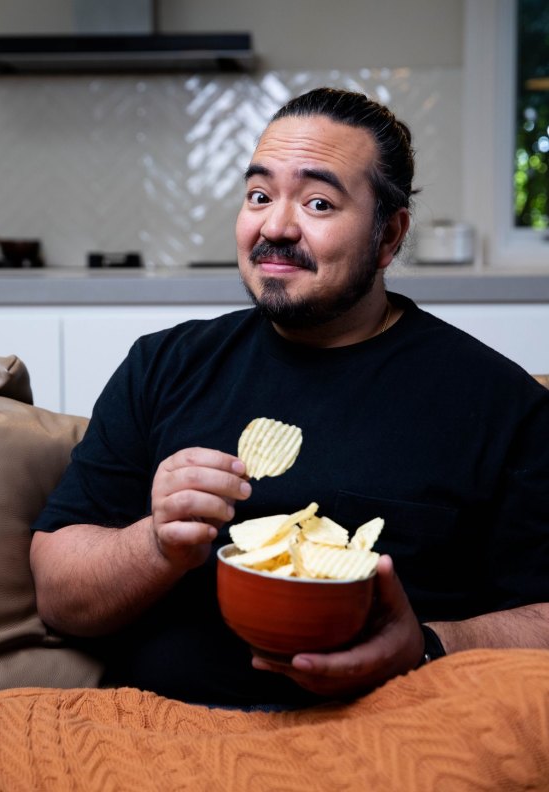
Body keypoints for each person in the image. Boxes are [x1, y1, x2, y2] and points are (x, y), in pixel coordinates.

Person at [30, 87, 549, 709]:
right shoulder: (163, 365)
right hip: (155, 726)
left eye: (319, 202)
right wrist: (155, 544)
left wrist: (427, 646)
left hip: (381, 734)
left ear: (389, 237)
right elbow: (58, 595)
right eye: (259, 195)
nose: (275, 226)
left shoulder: (500, 404)